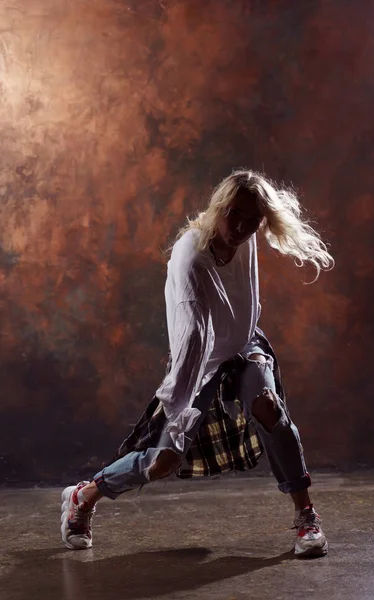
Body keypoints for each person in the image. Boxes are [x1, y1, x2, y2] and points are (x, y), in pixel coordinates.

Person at [61, 169, 334, 557]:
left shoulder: (245, 236)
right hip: (200, 361)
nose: (240, 226)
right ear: (218, 207)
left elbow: (242, 298)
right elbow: (192, 341)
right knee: (164, 460)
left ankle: (306, 517)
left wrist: (247, 338)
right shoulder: (192, 257)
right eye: (233, 214)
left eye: (252, 219)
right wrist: (176, 410)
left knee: (269, 409)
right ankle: (84, 496)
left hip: (244, 344)